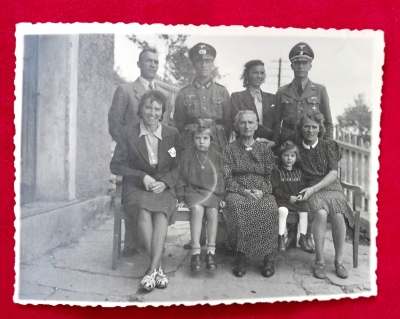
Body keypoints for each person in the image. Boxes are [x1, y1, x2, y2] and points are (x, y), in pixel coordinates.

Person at [110, 90, 179, 291]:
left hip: (163, 188)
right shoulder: (128, 133)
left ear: (162, 112)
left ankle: (152, 271)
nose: (152, 112)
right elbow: (116, 165)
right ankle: (158, 269)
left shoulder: (171, 134)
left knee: (161, 213)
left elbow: (177, 165)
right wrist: (142, 176)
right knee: (143, 211)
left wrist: (165, 183)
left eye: (157, 109)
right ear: (140, 109)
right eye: (148, 107)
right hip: (136, 187)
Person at [108, 47, 171, 257]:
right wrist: (130, 147)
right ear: (139, 64)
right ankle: (132, 243)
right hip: (132, 158)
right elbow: (115, 124)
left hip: (156, 159)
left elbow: (166, 125)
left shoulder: (163, 94)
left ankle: (151, 242)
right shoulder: (125, 90)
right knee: (136, 197)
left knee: (154, 199)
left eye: (155, 61)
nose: (152, 65)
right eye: (148, 61)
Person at [273, 42, 334, 250]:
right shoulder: (283, 91)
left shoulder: (320, 90)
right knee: (290, 182)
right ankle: (290, 233)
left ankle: (305, 234)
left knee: (307, 180)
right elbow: (275, 123)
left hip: (310, 143)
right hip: (289, 142)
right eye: (297, 63)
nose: (301, 67)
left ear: (310, 65)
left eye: (305, 63)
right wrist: (277, 145)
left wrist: (326, 149)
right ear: (291, 66)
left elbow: (327, 123)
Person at [297, 110, 355, 279]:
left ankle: (339, 261)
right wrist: (308, 190)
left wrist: (314, 189)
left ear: (319, 128)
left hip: (330, 187)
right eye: (306, 126)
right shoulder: (297, 149)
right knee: (321, 213)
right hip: (309, 188)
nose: (310, 130)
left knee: (337, 214)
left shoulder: (329, 146)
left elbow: (333, 173)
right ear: (301, 128)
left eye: (314, 127)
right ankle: (320, 261)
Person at [222, 110, 278, 278]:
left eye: (250, 122)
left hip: (262, 190)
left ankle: (268, 257)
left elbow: (271, 176)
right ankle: (240, 256)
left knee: (269, 207)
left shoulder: (264, 149)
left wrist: (262, 191)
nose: (247, 126)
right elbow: (226, 176)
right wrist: (243, 191)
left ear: (256, 126)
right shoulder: (229, 149)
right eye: (243, 123)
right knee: (239, 206)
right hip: (237, 190)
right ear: (237, 126)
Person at [176, 119, 225, 271]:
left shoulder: (216, 155)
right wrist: (181, 197)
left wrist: (222, 197)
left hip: (211, 193)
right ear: (193, 140)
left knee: (212, 211)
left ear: (211, 140)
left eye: (205, 138)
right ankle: (195, 251)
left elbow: (221, 178)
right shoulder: (187, 155)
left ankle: (211, 251)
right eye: (198, 138)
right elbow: (182, 178)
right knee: (197, 209)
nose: (201, 142)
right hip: (193, 191)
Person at [173, 42, 231, 153]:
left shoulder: (222, 92)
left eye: (207, 61)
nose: (204, 65)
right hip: (190, 144)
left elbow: (228, 124)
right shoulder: (183, 93)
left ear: (212, 64)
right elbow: (178, 123)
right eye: (199, 61)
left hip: (217, 145)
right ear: (194, 64)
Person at [271, 141, 313, 253]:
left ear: (296, 157)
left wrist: (300, 196)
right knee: (283, 211)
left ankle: (303, 238)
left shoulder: (298, 172)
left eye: (292, 156)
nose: (289, 158)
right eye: (286, 155)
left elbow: (303, 187)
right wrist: (288, 197)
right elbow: (275, 189)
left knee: (304, 210)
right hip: (283, 201)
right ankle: (280, 238)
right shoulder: (277, 172)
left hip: (296, 202)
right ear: (280, 156)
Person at [230, 60, 276, 147]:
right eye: (255, 73)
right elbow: (237, 123)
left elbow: (277, 124)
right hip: (245, 144)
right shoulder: (237, 97)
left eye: (262, 73)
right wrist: (256, 140)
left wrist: (273, 141)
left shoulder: (272, 98)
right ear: (247, 74)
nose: (259, 76)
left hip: (268, 145)